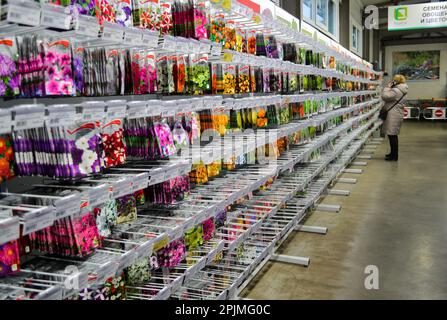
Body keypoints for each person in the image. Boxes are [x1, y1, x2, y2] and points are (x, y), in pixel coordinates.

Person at [380, 74, 408, 161]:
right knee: (393, 135)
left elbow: (384, 97)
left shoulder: (396, 91)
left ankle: (394, 156)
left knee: (392, 135)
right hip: (396, 114)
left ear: (396, 81)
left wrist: (387, 88)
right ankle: (393, 154)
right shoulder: (402, 90)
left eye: (394, 80)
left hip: (393, 115)